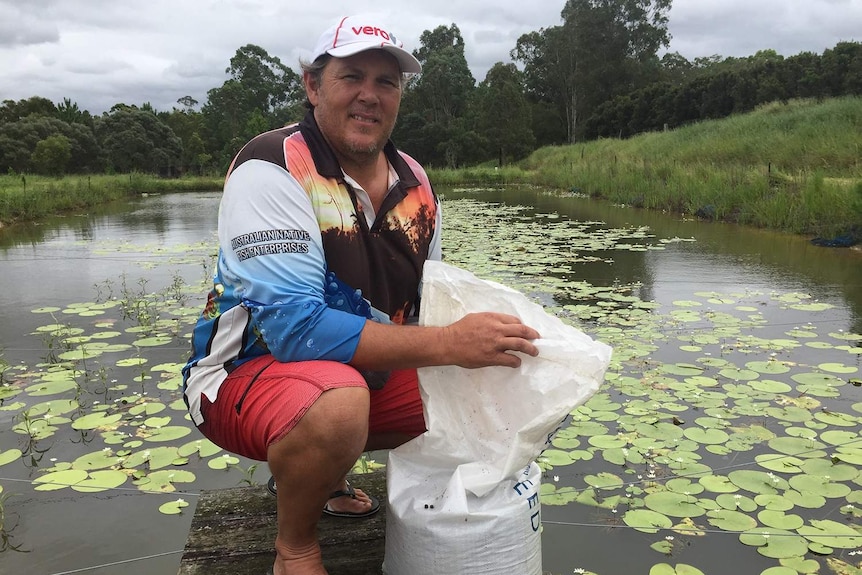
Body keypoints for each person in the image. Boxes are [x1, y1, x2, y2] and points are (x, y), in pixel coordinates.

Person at [182, 15, 540, 575]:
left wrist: (480, 339)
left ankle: (331, 475)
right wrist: (448, 342)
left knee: (497, 381)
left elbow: (428, 301)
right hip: (241, 374)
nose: (369, 96)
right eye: (352, 77)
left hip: (351, 372)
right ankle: (294, 547)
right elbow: (296, 330)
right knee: (338, 402)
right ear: (312, 85)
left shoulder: (415, 181)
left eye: (387, 82)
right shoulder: (272, 168)